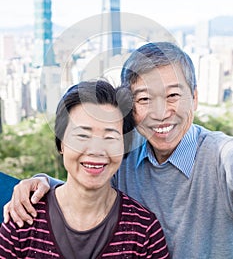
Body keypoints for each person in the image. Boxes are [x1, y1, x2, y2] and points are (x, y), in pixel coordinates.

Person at [5, 41, 233, 258]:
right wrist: (40, 181)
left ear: (194, 97)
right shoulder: (123, 156)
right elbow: (87, 181)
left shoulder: (221, 157)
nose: (161, 113)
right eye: (144, 99)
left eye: (172, 95)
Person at [0, 79, 169, 258]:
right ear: (61, 144)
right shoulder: (23, 219)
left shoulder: (144, 232)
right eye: (82, 135)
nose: (96, 150)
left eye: (110, 138)